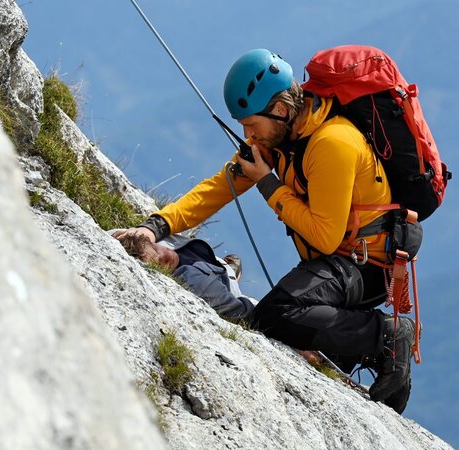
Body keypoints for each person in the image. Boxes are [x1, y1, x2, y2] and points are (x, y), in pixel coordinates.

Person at [113, 49, 418, 413]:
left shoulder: (331, 143)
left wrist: (268, 185)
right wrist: (155, 227)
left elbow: (325, 237)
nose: (247, 134)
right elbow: (219, 186)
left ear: (281, 110)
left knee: (278, 313)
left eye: (251, 124)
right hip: (337, 262)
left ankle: (385, 335)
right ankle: (376, 361)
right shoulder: (281, 139)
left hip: (366, 268)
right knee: (297, 332)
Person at [114, 231, 255, 321]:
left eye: (156, 249)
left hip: (207, 258)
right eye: (158, 263)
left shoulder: (159, 240)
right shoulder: (197, 281)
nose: (163, 256)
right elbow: (243, 313)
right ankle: (231, 273)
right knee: (226, 273)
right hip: (223, 282)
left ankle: (226, 266)